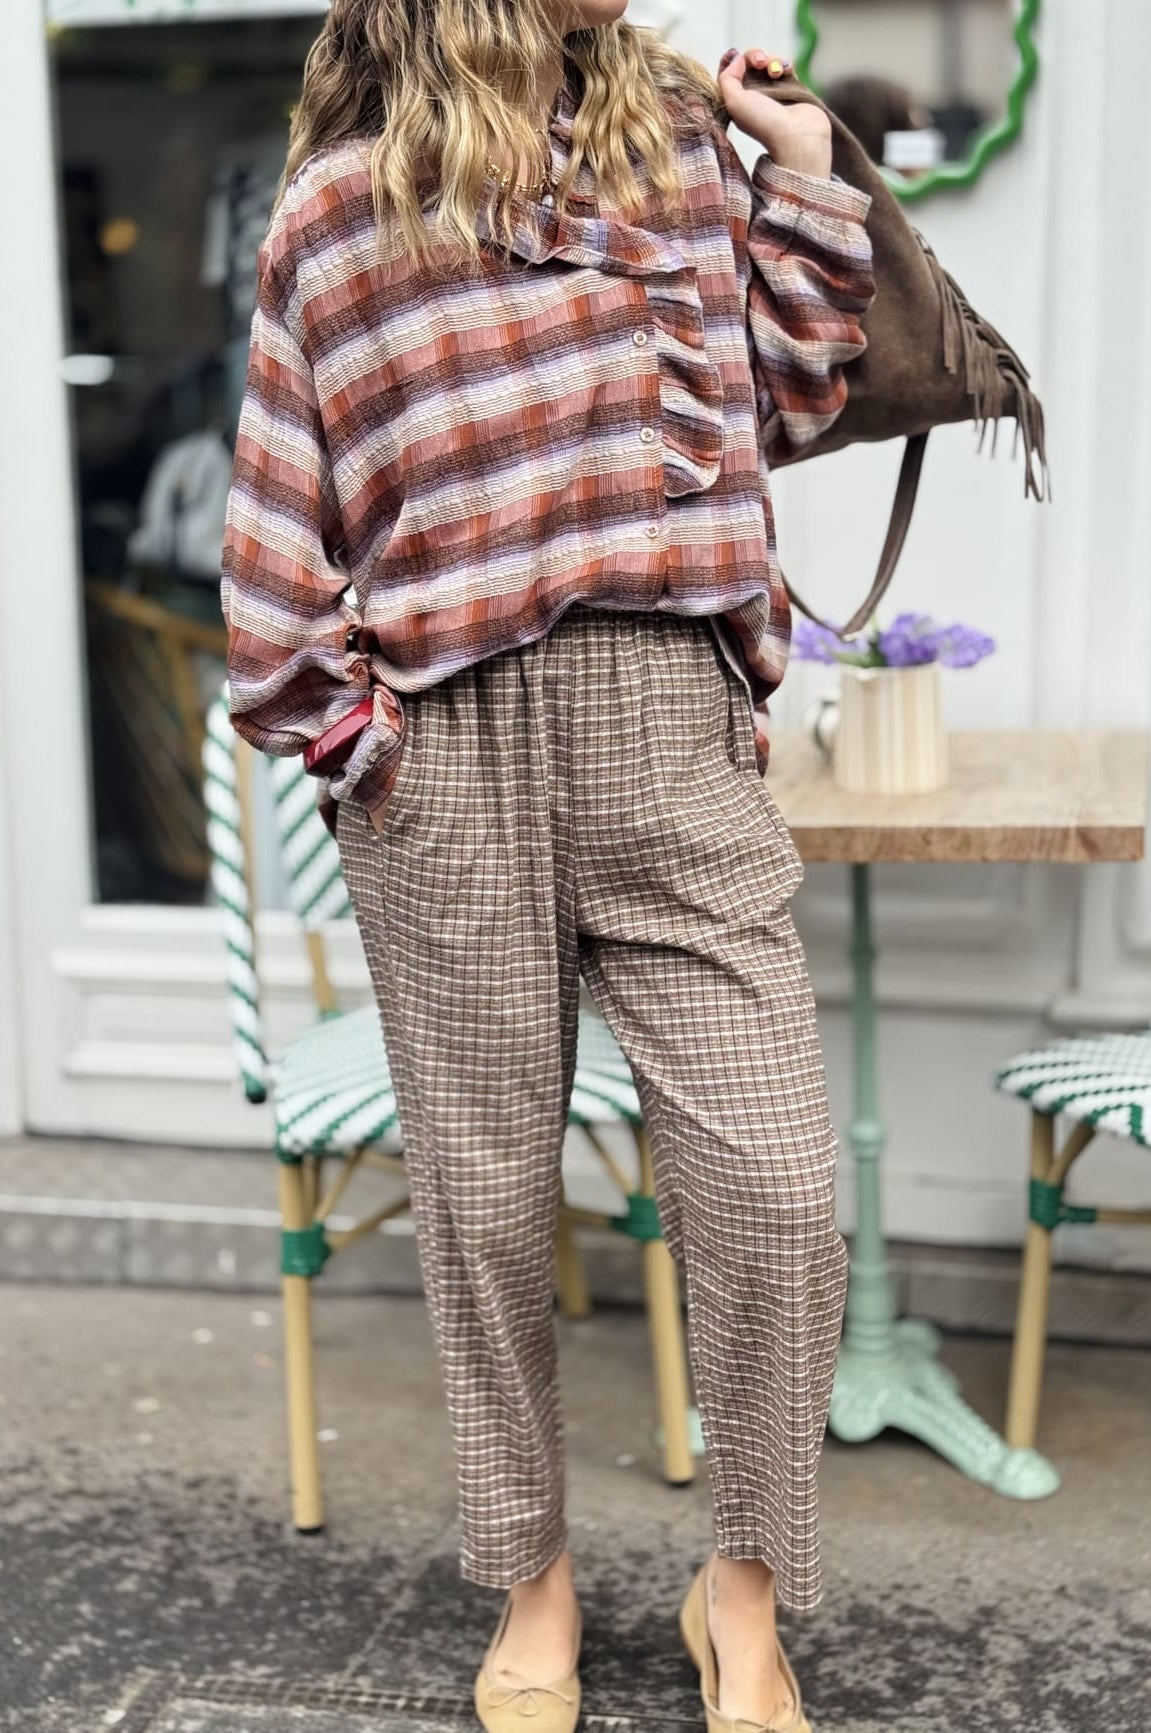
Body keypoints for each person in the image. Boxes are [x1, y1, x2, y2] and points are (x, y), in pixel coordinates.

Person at [221, 4, 873, 1730]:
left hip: (671, 718)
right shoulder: (340, 218)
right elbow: (281, 554)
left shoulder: (672, 152)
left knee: (779, 1187)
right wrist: (372, 756)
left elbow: (784, 402)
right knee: (489, 1203)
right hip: (453, 753)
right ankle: (531, 1574)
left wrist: (800, 183)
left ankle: (739, 1588)